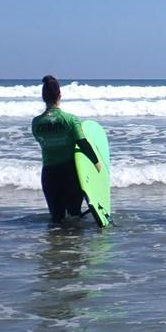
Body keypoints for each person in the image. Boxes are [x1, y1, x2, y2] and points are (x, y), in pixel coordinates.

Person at [31, 75, 101, 223]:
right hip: (70, 175)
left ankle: (55, 244)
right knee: (75, 216)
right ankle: (72, 243)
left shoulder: (36, 122)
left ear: (43, 97)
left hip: (49, 175)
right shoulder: (70, 119)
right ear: (59, 95)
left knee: (56, 218)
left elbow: (42, 142)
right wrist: (96, 162)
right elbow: (82, 143)